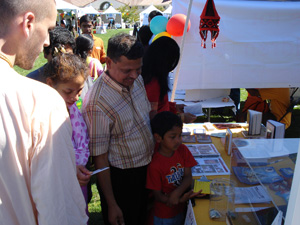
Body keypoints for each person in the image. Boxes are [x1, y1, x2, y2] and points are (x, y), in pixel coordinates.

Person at [0, 0, 88, 224]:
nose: (48, 41)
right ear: (28, 22)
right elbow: (59, 210)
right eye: (48, 29)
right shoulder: (41, 101)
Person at [82, 33, 154, 225]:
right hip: (122, 181)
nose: (134, 75)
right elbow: (100, 158)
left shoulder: (135, 79)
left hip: (146, 168)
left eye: (138, 69)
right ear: (108, 62)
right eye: (127, 70)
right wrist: (112, 203)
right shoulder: (97, 102)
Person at [43, 52, 91, 215]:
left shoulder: (72, 109)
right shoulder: (44, 115)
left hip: (78, 181)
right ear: (50, 84)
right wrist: (71, 167)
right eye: (69, 91)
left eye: (79, 91)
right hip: (58, 184)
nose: (75, 97)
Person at [146, 111, 202, 225]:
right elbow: (157, 196)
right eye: (173, 137)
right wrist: (178, 199)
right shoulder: (155, 164)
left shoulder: (182, 150)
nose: (179, 140)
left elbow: (188, 176)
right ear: (158, 138)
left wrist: (177, 193)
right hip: (164, 216)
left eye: (180, 135)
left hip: (180, 210)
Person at [142, 36, 197, 123]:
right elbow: (153, 119)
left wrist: (174, 107)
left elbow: (160, 105)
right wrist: (180, 118)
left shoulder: (153, 77)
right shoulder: (153, 83)